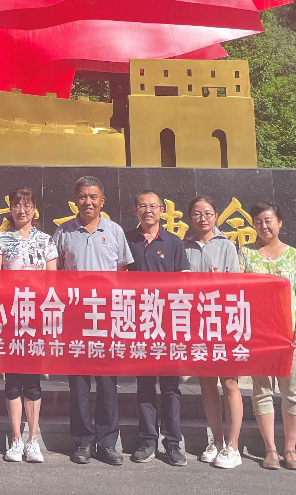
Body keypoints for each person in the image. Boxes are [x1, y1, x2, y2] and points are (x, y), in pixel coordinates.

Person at [53, 175, 133, 466]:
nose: (88, 202)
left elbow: (123, 273)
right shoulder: (63, 232)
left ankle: (108, 443)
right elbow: (56, 274)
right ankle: (82, 442)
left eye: (93, 197)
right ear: (75, 200)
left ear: (103, 201)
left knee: (108, 382)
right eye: (83, 196)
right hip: (75, 316)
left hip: (107, 316)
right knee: (79, 383)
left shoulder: (114, 231)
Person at [0, 186, 57, 463]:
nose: (22, 210)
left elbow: (52, 283)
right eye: (17, 204)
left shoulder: (46, 240)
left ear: (34, 209)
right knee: (14, 379)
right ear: (10, 208)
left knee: (33, 379)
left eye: (27, 205)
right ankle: (16, 439)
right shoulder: (1, 239)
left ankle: (33, 440)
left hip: (36, 318)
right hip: (11, 318)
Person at [242, 202, 296, 471]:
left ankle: (290, 449)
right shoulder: (246, 254)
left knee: (292, 391)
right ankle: (270, 448)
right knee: (262, 391)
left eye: (268, 220)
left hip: (288, 335)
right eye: (258, 221)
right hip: (259, 334)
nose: (263, 226)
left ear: (280, 223)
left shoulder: (294, 255)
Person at [126, 190, 189, 466]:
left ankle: (173, 443)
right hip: (139, 324)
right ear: (135, 210)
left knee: (171, 387)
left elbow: (185, 285)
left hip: (169, 325)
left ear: (162, 210)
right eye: (143, 206)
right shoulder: (128, 241)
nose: (148, 210)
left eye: (153, 206)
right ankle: (148, 440)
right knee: (145, 385)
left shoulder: (174, 242)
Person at [182, 195, 245, 469]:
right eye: (197, 213)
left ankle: (233, 446)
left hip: (224, 323)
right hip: (196, 324)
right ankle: (217, 441)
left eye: (207, 213)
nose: (202, 218)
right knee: (206, 383)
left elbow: (235, 286)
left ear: (216, 216)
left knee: (229, 383)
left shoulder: (227, 246)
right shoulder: (183, 246)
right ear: (190, 217)